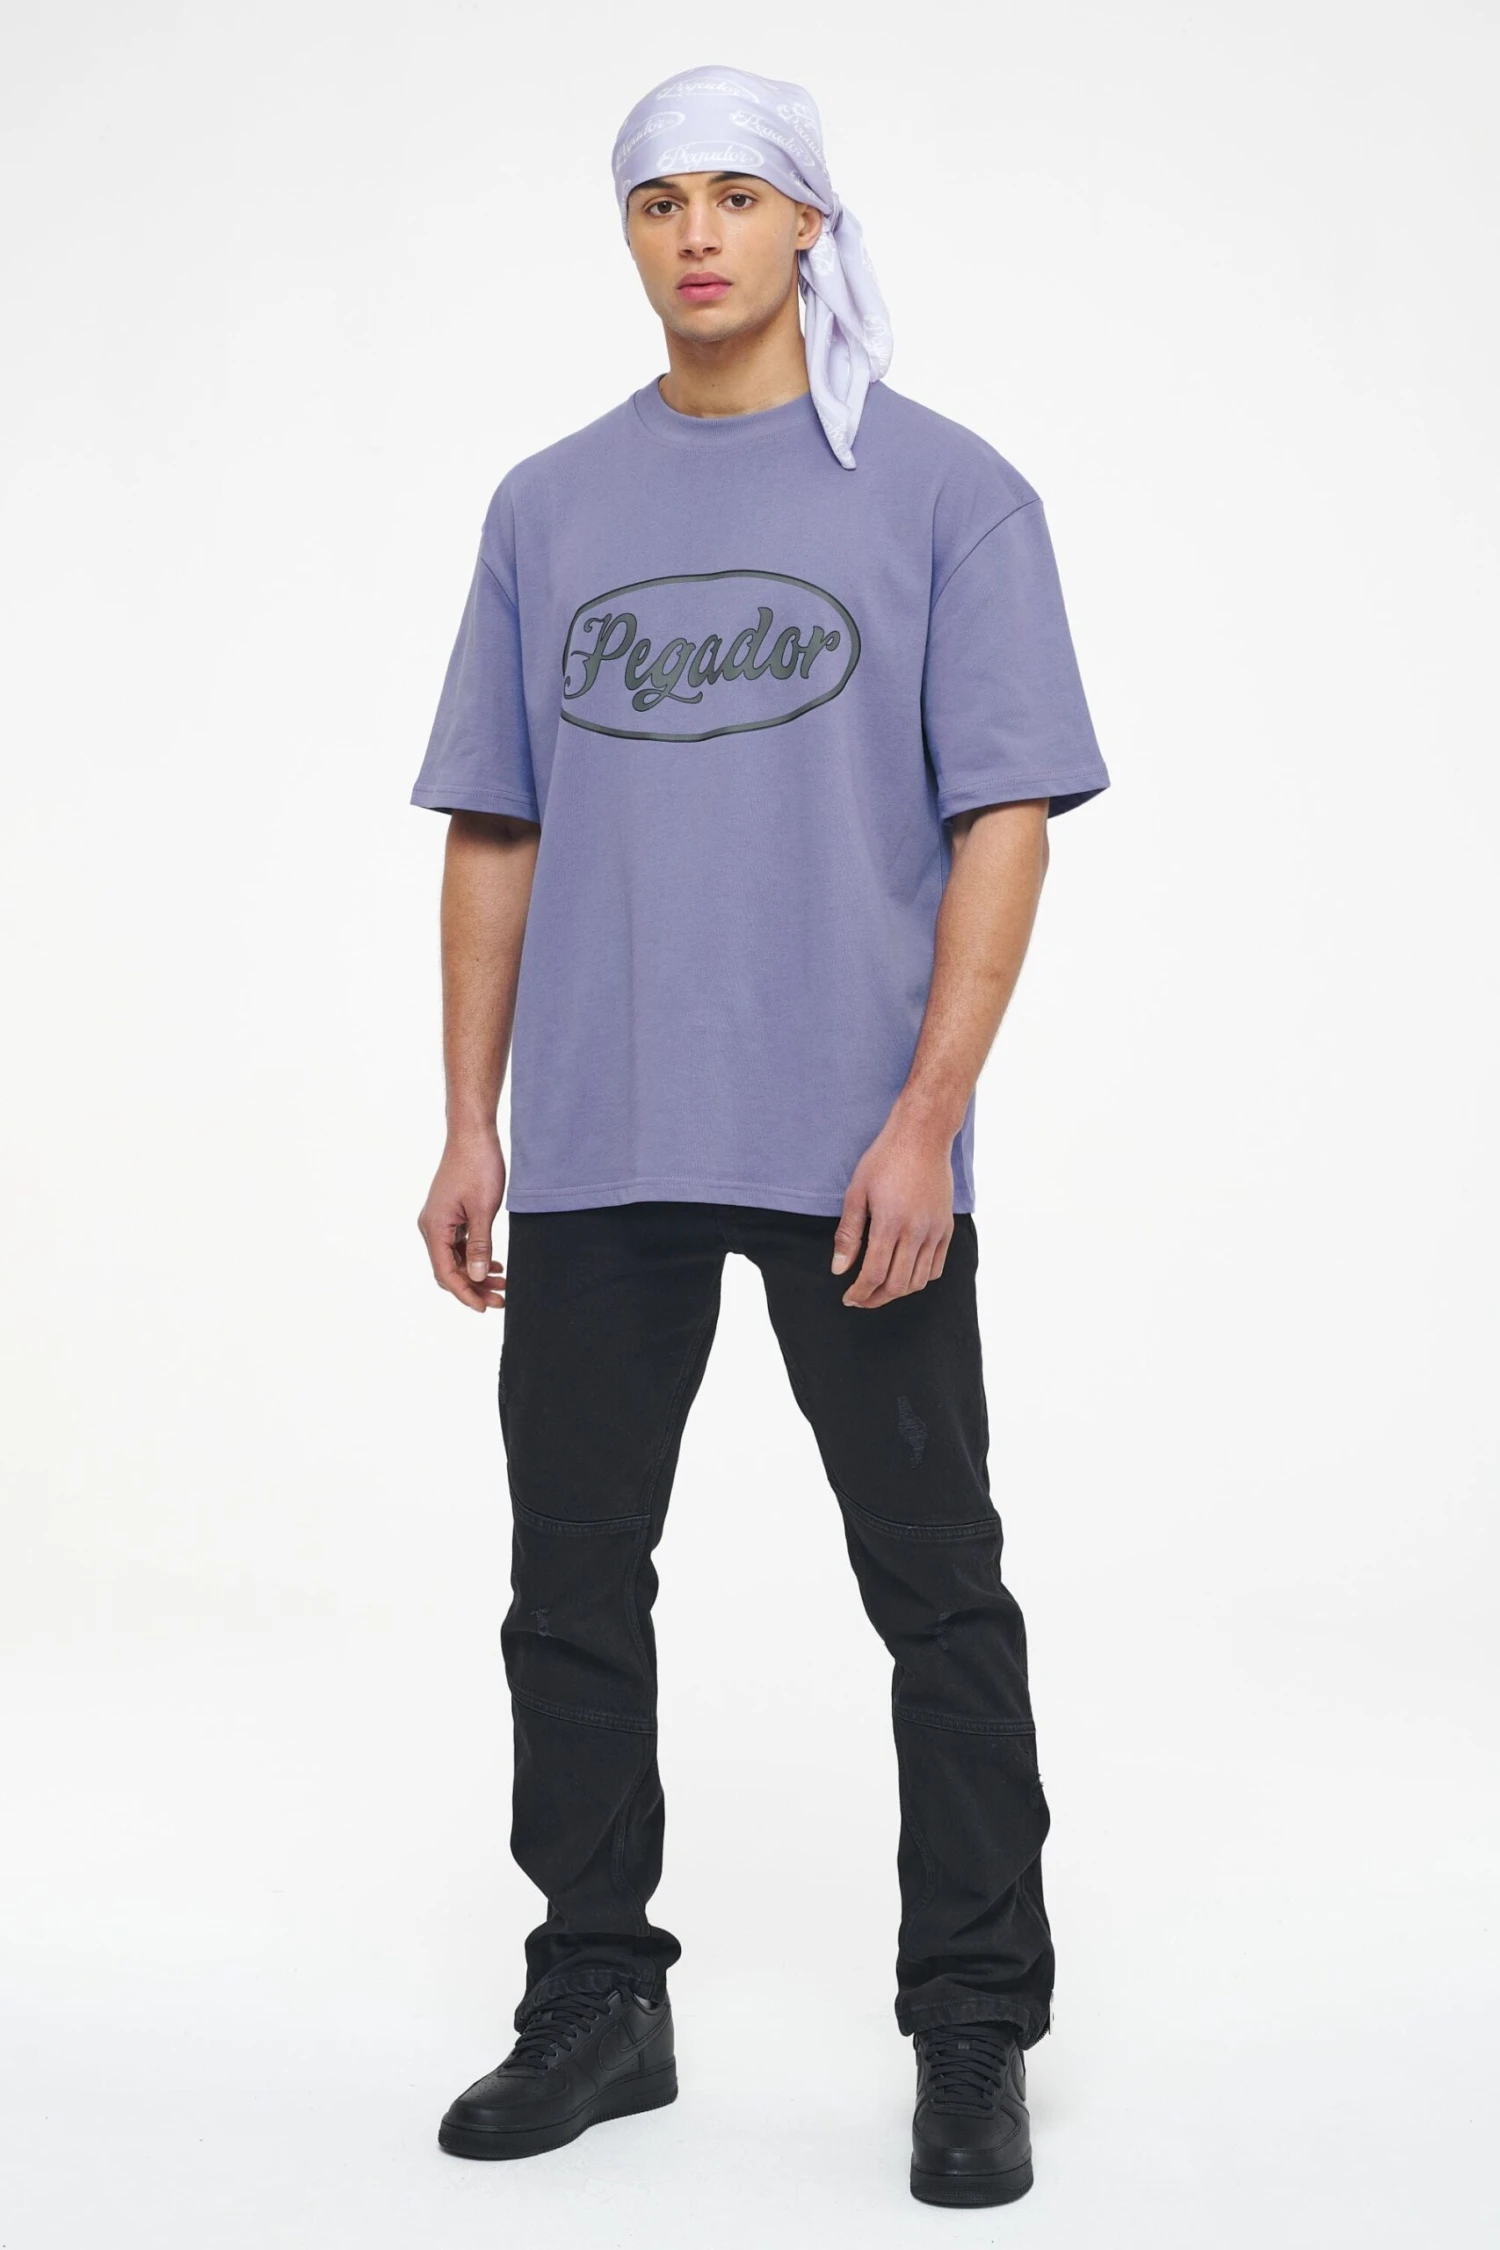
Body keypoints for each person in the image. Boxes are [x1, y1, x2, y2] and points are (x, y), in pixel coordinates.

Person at [410, 63, 1110, 2209]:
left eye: (736, 195)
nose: (696, 233)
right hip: (602, 1136)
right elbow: (496, 823)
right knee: (568, 1585)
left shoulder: (948, 492)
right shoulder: (547, 506)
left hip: (850, 1149)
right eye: (659, 201)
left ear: (811, 223)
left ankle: (973, 2021)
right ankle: (596, 1995)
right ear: (628, 234)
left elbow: (1006, 820)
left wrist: (926, 1121)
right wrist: (468, 1119)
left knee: (936, 1589)